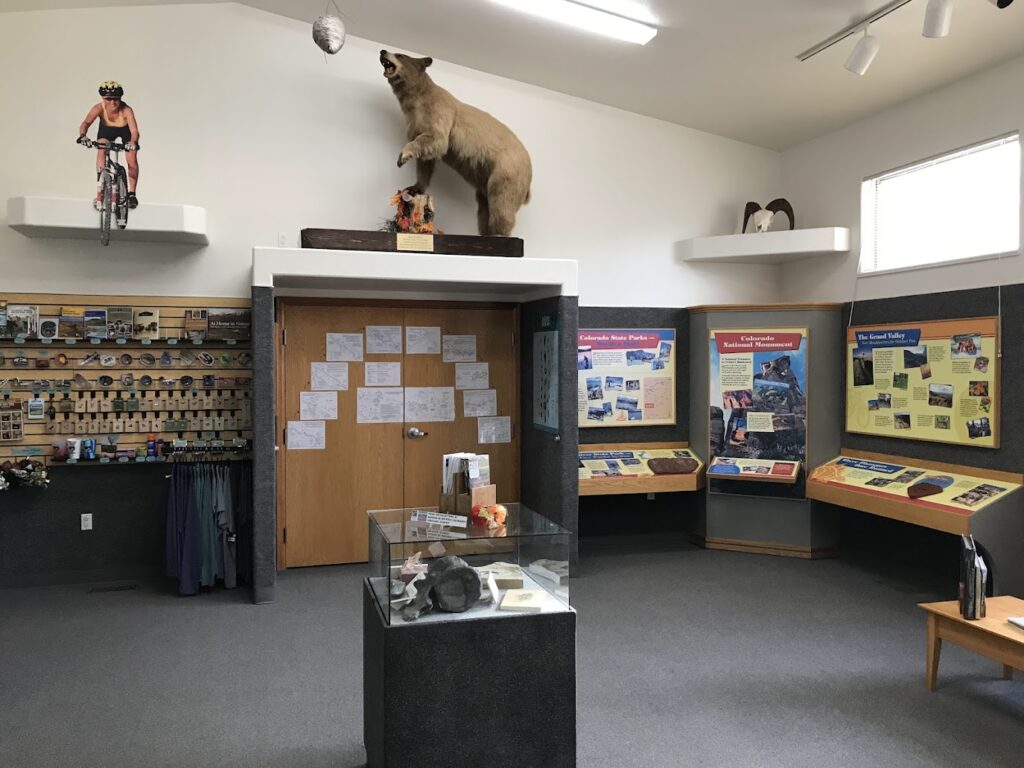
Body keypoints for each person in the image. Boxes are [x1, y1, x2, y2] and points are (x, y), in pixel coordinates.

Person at [77, 80, 140, 209]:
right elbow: (86, 123)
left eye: (116, 99)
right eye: (108, 99)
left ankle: (132, 193)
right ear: (102, 98)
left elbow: (134, 130)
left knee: (132, 160)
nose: (112, 102)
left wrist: (132, 142)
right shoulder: (98, 108)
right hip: (106, 130)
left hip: (125, 131)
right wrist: (83, 136)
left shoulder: (127, 110)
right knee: (101, 148)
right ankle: (101, 186)